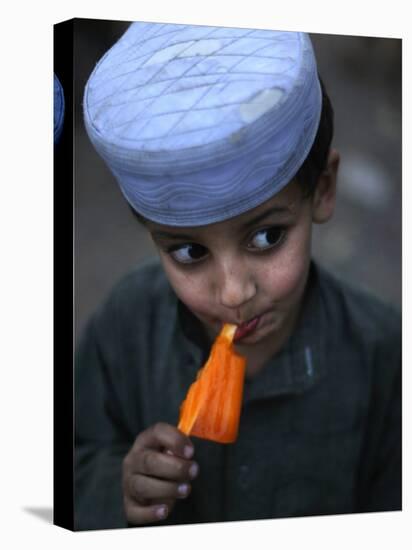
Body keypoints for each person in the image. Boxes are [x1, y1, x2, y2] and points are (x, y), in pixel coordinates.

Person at [75, 22, 401, 531]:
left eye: (267, 237)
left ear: (323, 190)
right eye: (188, 251)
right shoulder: (125, 326)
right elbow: (64, 459)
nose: (233, 293)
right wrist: (116, 486)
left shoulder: (384, 355)